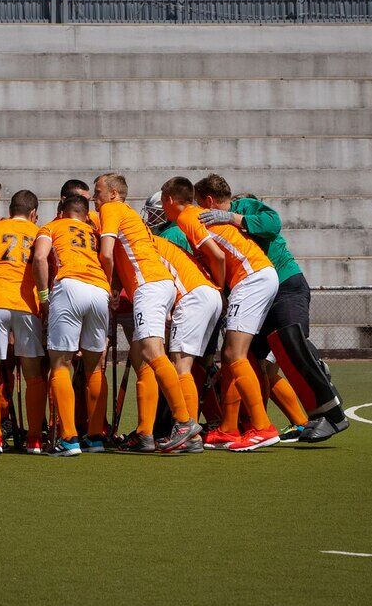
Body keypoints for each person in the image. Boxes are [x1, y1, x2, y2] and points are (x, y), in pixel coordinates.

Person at [196, 176, 347, 443]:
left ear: (208, 200)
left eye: (200, 203)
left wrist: (232, 218)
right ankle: (251, 425)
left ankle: (330, 412)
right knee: (245, 358)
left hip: (286, 283)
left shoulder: (245, 205)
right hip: (258, 294)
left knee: (289, 338)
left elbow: (273, 223)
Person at [162, 175, 281, 452]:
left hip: (250, 277)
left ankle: (262, 427)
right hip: (257, 274)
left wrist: (217, 288)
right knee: (232, 357)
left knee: (233, 355)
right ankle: (229, 428)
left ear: (169, 201)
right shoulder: (197, 214)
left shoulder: (187, 217)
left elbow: (215, 255)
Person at [94, 173, 201, 453]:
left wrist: (105, 286)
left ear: (114, 193)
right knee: (145, 355)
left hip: (148, 287)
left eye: (98, 192)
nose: (96, 199)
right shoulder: (130, 216)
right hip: (156, 283)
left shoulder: (111, 209)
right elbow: (120, 256)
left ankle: (184, 422)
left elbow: (106, 254)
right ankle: (147, 434)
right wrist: (117, 287)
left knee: (153, 354)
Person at [32, 193, 111, 457]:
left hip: (70, 285)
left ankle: (69, 438)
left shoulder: (52, 226)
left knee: (61, 362)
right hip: (100, 288)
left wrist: (44, 297)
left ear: (62, 211)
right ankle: (96, 436)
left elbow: (40, 258)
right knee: (94, 365)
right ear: (86, 214)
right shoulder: (92, 231)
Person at [0, 190, 43, 455]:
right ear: (33, 213)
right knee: (33, 374)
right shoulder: (40, 232)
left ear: (10, 208)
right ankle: (35, 440)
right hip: (27, 304)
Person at [153, 234, 221, 440]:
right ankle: (201, 427)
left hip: (192, 296)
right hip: (209, 293)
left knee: (181, 366)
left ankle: (188, 432)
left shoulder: (148, 245)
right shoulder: (163, 243)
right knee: (196, 365)